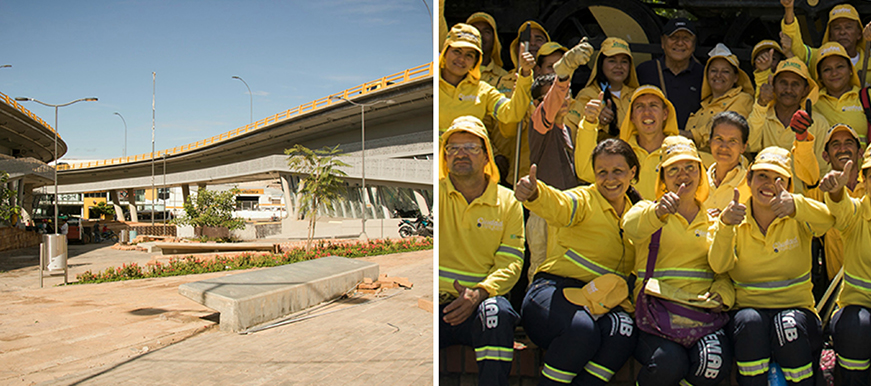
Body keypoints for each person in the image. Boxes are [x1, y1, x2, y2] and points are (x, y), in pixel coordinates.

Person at [513, 138, 640, 386]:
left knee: (623, 331)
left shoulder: (637, 214)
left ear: (632, 173)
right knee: (581, 330)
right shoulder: (584, 199)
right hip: (552, 293)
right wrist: (536, 193)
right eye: (602, 172)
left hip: (601, 302)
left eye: (618, 171)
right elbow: (560, 205)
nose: (610, 179)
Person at [709, 146, 834, 385]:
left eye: (778, 179)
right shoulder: (734, 216)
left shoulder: (797, 215)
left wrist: (797, 205)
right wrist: (725, 226)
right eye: (762, 176)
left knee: (787, 325)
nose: (769, 184)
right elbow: (718, 265)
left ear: (788, 185)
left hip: (796, 311)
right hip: (748, 312)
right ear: (749, 179)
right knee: (749, 323)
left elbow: (829, 220)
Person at [622, 135, 734, 386]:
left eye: (690, 167)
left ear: (701, 174)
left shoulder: (714, 220)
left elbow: (723, 272)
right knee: (668, 363)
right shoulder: (647, 210)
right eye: (673, 169)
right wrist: (658, 212)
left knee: (713, 363)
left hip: (701, 316)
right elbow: (630, 227)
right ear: (662, 177)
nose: (683, 174)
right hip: (656, 315)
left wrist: (722, 295)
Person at [438, 115, 525, 386]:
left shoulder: (508, 202)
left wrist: (479, 293)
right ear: (445, 156)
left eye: (471, 147)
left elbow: (511, 261)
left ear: (487, 156)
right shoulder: (435, 194)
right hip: (435, 304)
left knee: (497, 313)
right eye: (453, 148)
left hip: (479, 305)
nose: (460, 154)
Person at [821, 142, 871, 386]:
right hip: (857, 308)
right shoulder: (857, 212)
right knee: (856, 327)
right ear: (865, 181)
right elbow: (841, 209)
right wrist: (835, 192)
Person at [576, 85, 678, 199]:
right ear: (631, 116)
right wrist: (589, 123)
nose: (647, 112)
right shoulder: (619, 153)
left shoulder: (680, 150)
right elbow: (585, 172)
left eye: (653, 105)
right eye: (639, 106)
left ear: (665, 114)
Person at [748, 57, 830, 193]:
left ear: (805, 90)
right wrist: (761, 104)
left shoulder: (818, 123)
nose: (788, 89)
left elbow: (823, 170)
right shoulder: (762, 113)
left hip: (799, 200)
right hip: (764, 196)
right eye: (783, 83)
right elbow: (749, 145)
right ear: (774, 85)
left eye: (795, 84)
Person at [438, 23, 534, 133]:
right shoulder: (430, 84)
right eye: (457, 51)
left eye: (469, 55)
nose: (462, 59)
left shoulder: (484, 91)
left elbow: (510, 114)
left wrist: (525, 73)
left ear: (476, 61)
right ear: (445, 52)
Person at [800, 123, 865, 283]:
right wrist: (801, 138)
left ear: (860, 152)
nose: (843, 149)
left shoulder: (868, 186)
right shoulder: (820, 191)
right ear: (826, 156)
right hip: (838, 287)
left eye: (849, 143)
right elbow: (806, 171)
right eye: (835, 144)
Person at [685, 43, 754, 159]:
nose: (718, 75)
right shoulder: (703, 107)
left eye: (725, 71)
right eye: (714, 70)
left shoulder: (743, 99)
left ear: (735, 77)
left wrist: (688, 135)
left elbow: (728, 128)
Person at [566, 37, 640, 144]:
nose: (619, 66)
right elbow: (575, 132)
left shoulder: (637, 95)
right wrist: (596, 120)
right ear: (600, 64)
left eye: (624, 62)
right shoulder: (588, 95)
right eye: (612, 61)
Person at [636, 17, 705, 131]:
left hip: (690, 140)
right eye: (674, 37)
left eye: (686, 38)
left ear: (694, 44)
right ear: (663, 42)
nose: (680, 43)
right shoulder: (645, 71)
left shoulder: (704, 75)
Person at [781, 1, 871, 86]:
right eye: (837, 28)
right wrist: (789, 9)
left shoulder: (869, 59)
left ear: (859, 33)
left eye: (848, 27)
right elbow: (796, 48)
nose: (842, 32)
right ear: (830, 35)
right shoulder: (818, 56)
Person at [812, 42, 867, 147]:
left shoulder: (865, 98)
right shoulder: (813, 102)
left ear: (850, 69)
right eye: (827, 69)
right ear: (820, 76)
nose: (834, 73)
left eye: (840, 67)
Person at [704, 111, 752, 214]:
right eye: (719, 139)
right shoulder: (698, 181)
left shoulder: (749, 185)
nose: (724, 147)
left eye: (732, 141)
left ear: (743, 147)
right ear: (710, 141)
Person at [466, 12, 508, 86]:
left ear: (495, 39)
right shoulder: (456, 71)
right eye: (474, 31)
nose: (480, 36)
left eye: (486, 32)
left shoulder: (504, 76)